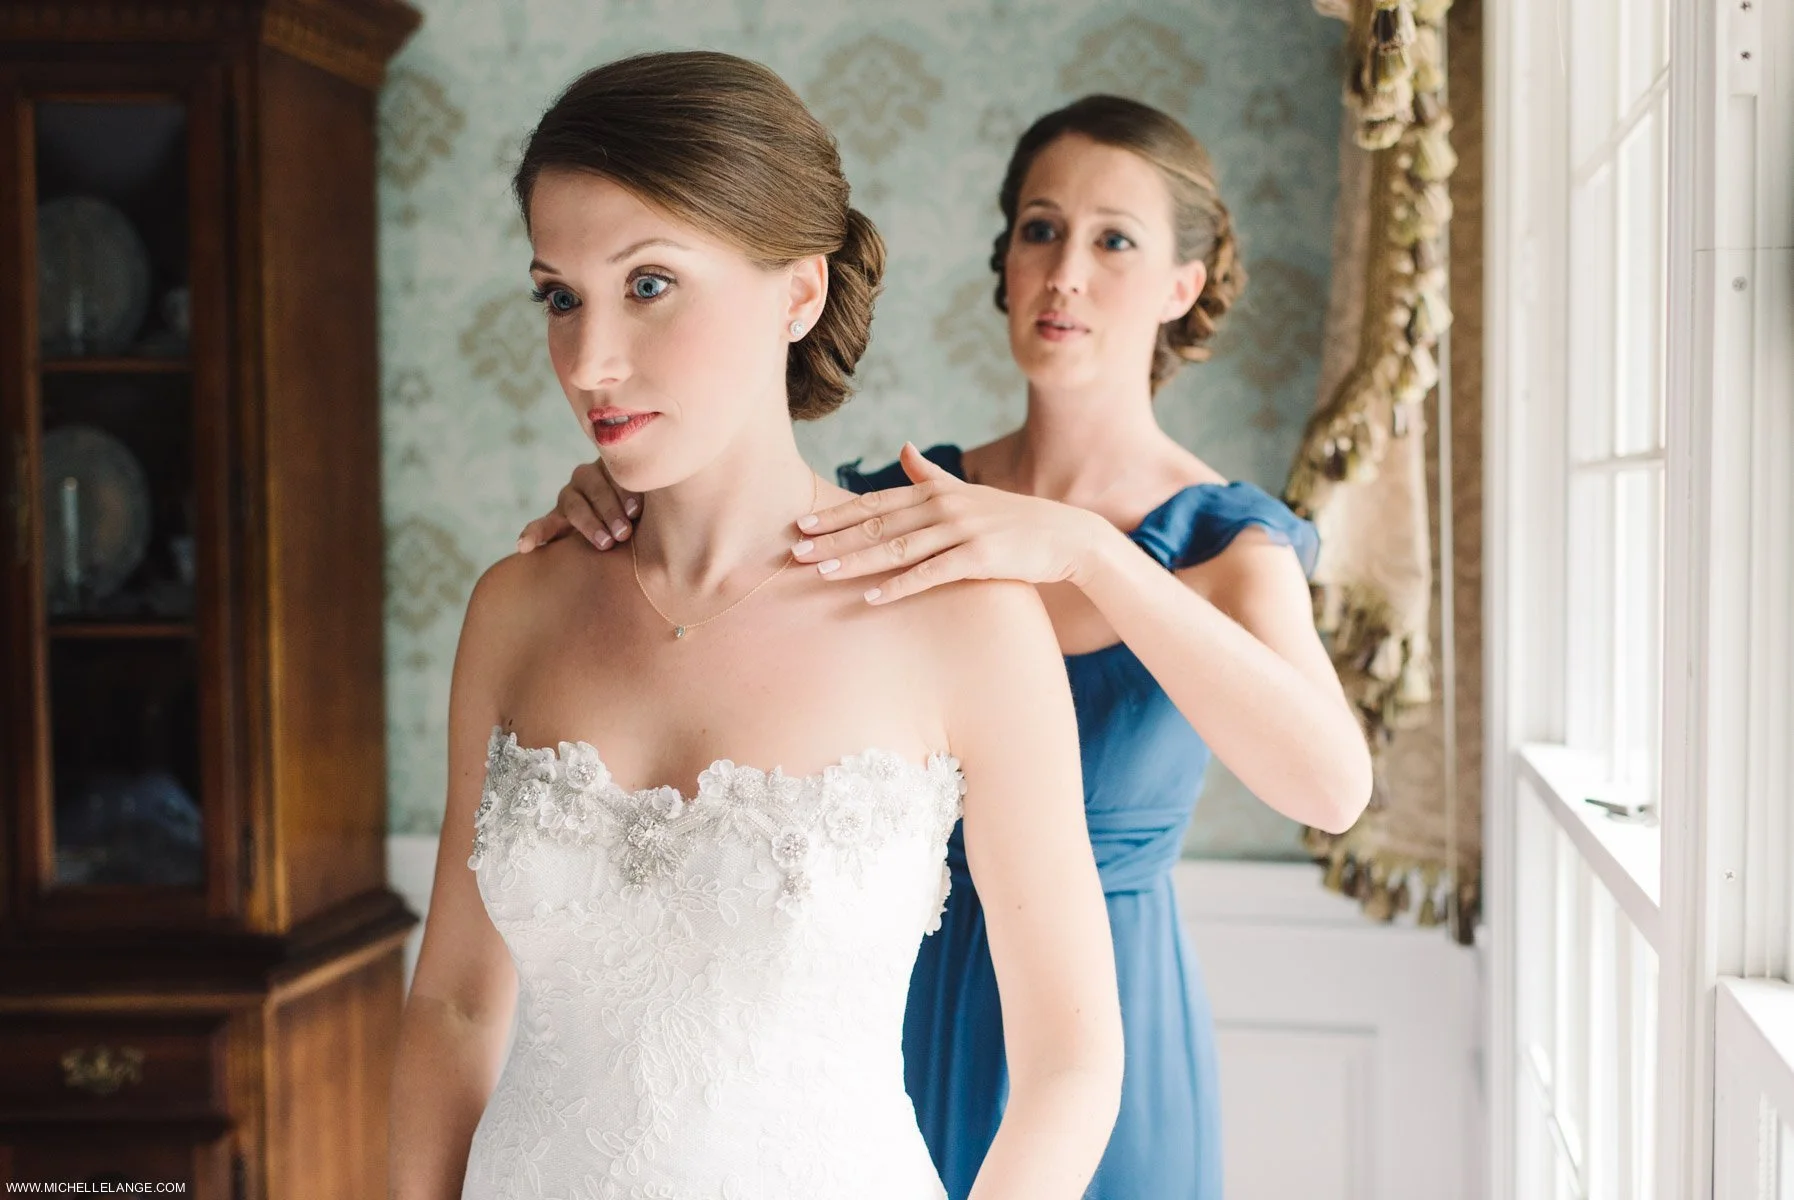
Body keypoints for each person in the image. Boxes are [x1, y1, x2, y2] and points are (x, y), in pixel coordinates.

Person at [520, 93, 1373, 1199]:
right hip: (882, 1023)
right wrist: (626, 481)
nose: (1065, 270)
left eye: (1114, 239)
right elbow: (733, 535)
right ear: (1006, 264)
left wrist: (1088, 554)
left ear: (1183, 287)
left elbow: (1333, 786)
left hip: (1105, 1031)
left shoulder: (1225, 543)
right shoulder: (903, 506)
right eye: (1039, 227)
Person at [389, 52, 1124, 1200]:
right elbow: (453, 1001)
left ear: (798, 291)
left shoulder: (965, 621)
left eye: (648, 284)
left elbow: (1072, 1064)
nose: (588, 360)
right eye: (559, 295)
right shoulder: (517, 607)